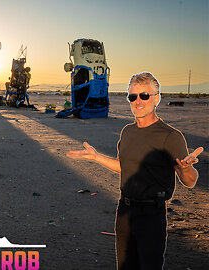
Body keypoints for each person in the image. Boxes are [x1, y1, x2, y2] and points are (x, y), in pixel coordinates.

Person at [66, 72, 203, 269]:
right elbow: (124, 166)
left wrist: (186, 168)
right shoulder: (127, 131)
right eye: (133, 96)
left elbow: (190, 181)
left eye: (144, 95)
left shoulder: (171, 136)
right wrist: (97, 157)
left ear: (156, 98)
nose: (138, 101)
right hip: (124, 211)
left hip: (152, 215)